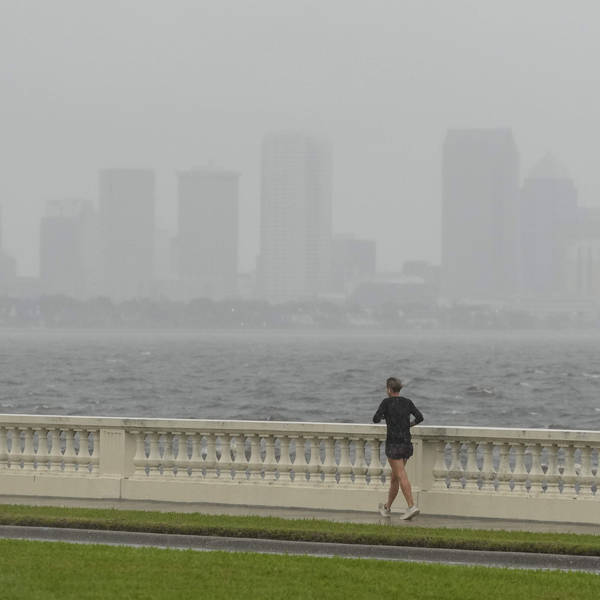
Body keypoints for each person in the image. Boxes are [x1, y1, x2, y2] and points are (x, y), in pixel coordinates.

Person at [373, 377, 424, 520]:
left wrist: (385, 416)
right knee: (394, 478)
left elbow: (375, 419)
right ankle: (387, 508)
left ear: (389, 389)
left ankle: (411, 506)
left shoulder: (386, 402)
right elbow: (419, 417)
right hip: (406, 444)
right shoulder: (407, 402)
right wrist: (409, 425)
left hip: (393, 445)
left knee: (401, 475)